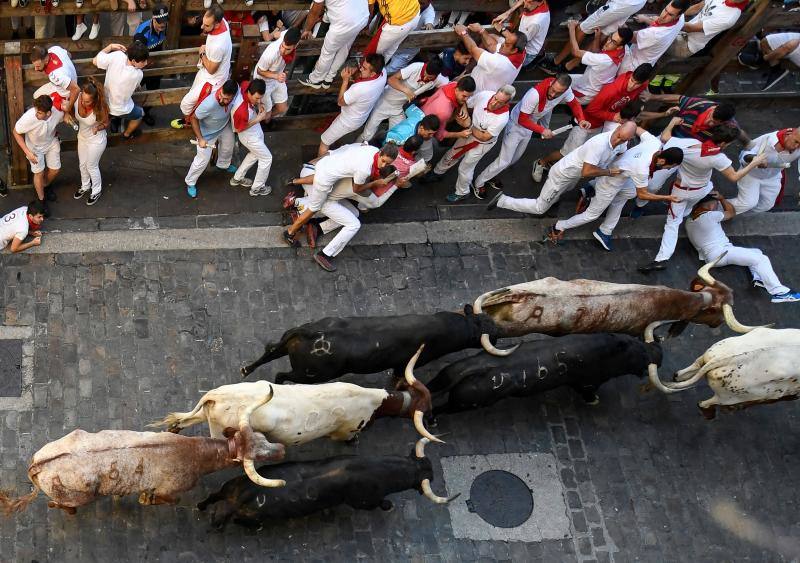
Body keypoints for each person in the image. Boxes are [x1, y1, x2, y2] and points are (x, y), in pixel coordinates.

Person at [638, 121, 767, 273]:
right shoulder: (719, 158)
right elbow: (734, 177)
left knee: (673, 223)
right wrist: (754, 163)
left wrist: (672, 123)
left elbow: (665, 137)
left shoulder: (687, 145)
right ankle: (690, 215)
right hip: (702, 190)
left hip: (681, 190)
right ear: (724, 143)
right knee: (689, 207)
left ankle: (662, 259)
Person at [546, 128, 684, 248]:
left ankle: (605, 230)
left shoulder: (655, 143)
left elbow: (636, 128)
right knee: (592, 215)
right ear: (662, 161)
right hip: (609, 183)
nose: (667, 169)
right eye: (668, 167)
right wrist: (668, 197)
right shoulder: (642, 169)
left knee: (627, 194)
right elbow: (642, 195)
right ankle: (559, 226)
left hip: (619, 175)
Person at [487, 122, 637, 216]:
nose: (618, 141)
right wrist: (609, 172)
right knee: (540, 208)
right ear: (618, 128)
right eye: (618, 136)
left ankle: (552, 200)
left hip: (572, 176)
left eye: (623, 139)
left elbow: (621, 150)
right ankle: (503, 201)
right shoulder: (599, 144)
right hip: (561, 176)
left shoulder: (622, 142)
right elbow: (587, 172)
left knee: (564, 191)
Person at [474, 74, 590, 194]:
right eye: (553, 90)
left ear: (565, 90)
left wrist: (581, 119)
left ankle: (491, 174)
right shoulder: (534, 94)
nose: (553, 95)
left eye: (558, 93)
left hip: (530, 125)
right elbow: (522, 120)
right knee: (505, 160)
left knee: (515, 158)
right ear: (552, 83)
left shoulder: (565, 91)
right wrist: (542, 130)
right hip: (516, 126)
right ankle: (479, 182)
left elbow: (574, 104)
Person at [535, 63, 653, 179]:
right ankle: (541, 162)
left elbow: (642, 87)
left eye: (637, 84)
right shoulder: (612, 90)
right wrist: (612, 117)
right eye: (632, 80)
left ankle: (555, 166)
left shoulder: (643, 84)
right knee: (567, 153)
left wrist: (648, 95)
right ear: (631, 75)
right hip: (585, 123)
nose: (632, 86)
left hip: (599, 125)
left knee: (582, 154)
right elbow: (591, 110)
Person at [282, 143, 399, 260]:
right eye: (383, 161)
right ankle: (291, 232)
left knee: (351, 212)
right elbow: (358, 190)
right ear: (380, 153)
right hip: (325, 182)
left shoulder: (371, 150)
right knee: (315, 209)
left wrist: (296, 181)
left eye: (387, 164)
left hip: (324, 166)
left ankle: (305, 213)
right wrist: (376, 184)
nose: (383, 165)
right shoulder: (364, 172)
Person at [686, 193, 800, 302]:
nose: (717, 207)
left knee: (756, 252)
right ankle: (779, 292)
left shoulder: (689, 220)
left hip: (710, 257)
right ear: (711, 205)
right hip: (722, 253)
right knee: (761, 259)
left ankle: (759, 279)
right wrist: (721, 199)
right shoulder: (711, 215)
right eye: (716, 205)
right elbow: (731, 212)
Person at [430, 85, 515, 202]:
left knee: (465, 168)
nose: (494, 103)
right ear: (495, 93)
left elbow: (485, 137)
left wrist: (468, 125)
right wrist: (464, 111)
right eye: (495, 98)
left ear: (506, 103)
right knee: (452, 153)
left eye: (500, 102)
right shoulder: (485, 95)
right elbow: (466, 102)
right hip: (468, 133)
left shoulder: (502, 118)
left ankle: (462, 192)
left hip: (481, 144)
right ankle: (437, 172)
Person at [359, 56, 446, 142]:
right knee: (368, 134)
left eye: (430, 78)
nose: (426, 78)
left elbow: (449, 86)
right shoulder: (415, 67)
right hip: (384, 102)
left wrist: (432, 98)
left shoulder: (439, 79)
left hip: (399, 108)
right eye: (425, 75)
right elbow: (391, 80)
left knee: (397, 137)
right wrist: (406, 90)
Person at [173, 6, 232, 129]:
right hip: (206, 73)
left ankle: (193, 123)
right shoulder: (222, 22)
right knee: (193, 98)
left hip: (213, 80)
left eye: (206, 26)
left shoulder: (219, 45)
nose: (201, 27)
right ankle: (190, 120)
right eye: (203, 23)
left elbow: (212, 69)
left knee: (185, 104)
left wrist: (202, 53)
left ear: (217, 24)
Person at [318, 54, 387, 156]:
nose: (360, 69)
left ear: (372, 73)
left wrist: (345, 80)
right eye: (362, 65)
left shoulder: (360, 89)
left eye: (364, 68)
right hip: (360, 117)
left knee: (324, 142)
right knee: (334, 135)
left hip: (347, 121)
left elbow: (340, 102)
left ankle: (319, 167)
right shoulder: (383, 73)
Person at [547, 0, 645, 72]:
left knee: (582, 28)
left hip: (623, 4)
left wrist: (571, 29)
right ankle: (570, 65)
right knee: (603, 32)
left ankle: (556, 63)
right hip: (636, 3)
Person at [297, 0, 370, 89]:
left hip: (345, 22)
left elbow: (315, 11)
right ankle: (328, 79)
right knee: (344, 48)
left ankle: (316, 79)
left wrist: (307, 29)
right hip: (362, 17)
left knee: (327, 52)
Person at [185, 79, 239, 198]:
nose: (221, 100)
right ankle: (190, 182)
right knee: (202, 161)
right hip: (207, 134)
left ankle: (223, 164)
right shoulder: (209, 104)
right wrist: (200, 138)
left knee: (228, 147)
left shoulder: (237, 90)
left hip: (224, 126)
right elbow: (193, 118)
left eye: (226, 99)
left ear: (233, 96)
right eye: (221, 96)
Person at [729, 127, 800, 215]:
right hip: (751, 175)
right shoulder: (768, 139)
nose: (796, 147)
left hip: (773, 177)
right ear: (789, 134)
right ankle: (717, 209)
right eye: (796, 142)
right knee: (748, 204)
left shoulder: (798, 147)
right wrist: (755, 159)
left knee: (767, 205)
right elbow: (744, 156)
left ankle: (741, 216)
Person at [12, 95, 64, 215]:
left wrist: (67, 116)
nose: (36, 114)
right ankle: (41, 199)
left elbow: (65, 115)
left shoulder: (56, 112)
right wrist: (27, 152)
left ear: (49, 113)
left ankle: (45, 185)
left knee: (55, 169)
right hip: (34, 148)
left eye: (40, 113)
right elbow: (16, 132)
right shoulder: (29, 117)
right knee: (38, 172)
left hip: (51, 142)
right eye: (36, 111)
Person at [93, 42, 149, 139]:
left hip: (105, 102)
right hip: (121, 108)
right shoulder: (138, 74)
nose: (146, 63)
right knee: (140, 114)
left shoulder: (117, 56)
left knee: (108, 115)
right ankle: (127, 134)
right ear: (134, 61)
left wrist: (110, 46)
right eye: (143, 61)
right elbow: (136, 87)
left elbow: (95, 61)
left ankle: (110, 121)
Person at [563, 23, 632, 101]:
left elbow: (575, 52)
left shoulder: (603, 60)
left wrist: (571, 29)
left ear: (620, 47)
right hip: (591, 83)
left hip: (584, 93)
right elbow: (596, 52)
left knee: (555, 93)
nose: (608, 42)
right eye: (610, 37)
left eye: (613, 42)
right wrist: (597, 37)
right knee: (560, 78)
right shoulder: (624, 49)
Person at [617, 0, 688, 74]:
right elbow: (661, 22)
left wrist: (620, 22)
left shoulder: (655, 34)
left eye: (670, 14)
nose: (663, 16)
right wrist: (645, 19)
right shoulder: (681, 19)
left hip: (631, 65)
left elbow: (628, 37)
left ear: (678, 16)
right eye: (665, 10)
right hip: (647, 59)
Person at [230, 79, 274, 196]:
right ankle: (257, 188)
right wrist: (258, 119)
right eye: (257, 98)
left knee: (255, 154)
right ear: (249, 93)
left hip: (253, 130)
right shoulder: (241, 111)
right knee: (266, 158)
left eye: (261, 98)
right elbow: (239, 129)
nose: (259, 100)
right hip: (248, 136)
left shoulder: (246, 86)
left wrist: (259, 104)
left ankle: (237, 178)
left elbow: (244, 82)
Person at [643, 93, 745, 143]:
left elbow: (738, 133)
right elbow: (678, 98)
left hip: (691, 150)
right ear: (714, 108)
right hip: (672, 137)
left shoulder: (730, 126)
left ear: (724, 122)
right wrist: (651, 97)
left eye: (714, 123)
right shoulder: (698, 104)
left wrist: (748, 144)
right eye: (710, 117)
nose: (709, 122)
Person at [417, 76, 476, 161]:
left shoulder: (454, 84)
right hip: (424, 130)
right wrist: (460, 134)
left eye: (469, 97)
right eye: (464, 96)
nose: (466, 100)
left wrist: (463, 107)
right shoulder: (445, 111)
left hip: (421, 111)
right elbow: (439, 134)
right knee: (431, 154)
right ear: (457, 90)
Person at [454, 23, 527, 92]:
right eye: (505, 41)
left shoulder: (499, 63)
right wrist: (481, 30)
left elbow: (473, 49)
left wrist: (463, 33)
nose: (502, 44)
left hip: (475, 93)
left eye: (507, 44)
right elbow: (491, 45)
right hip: (475, 78)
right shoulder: (522, 51)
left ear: (514, 50)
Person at [73, 78, 110, 206]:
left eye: (87, 101)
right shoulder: (78, 97)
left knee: (91, 166)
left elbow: (106, 123)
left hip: (96, 140)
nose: (83, 102)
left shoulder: (100, 107)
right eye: (83, 99)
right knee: (82, 164)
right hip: (82, 137)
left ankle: (96, 190)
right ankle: (85, 185)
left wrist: (97, 127)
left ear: (94, 100)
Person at [667, 0, 749, 58]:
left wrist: (668, 19)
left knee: (657, 39)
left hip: (686, 45)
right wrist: (674, 13)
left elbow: (690, 28)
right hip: (680, 32)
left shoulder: (729, 18)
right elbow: (697, 7)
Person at [252, 27, 301, 123]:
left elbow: (279, 34)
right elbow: (259, 71)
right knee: (267, 116)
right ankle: (262, 121)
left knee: (282, 108)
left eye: (287, 49)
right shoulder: (270, 54)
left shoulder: (287, 34)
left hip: (277, 77)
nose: (283, 51)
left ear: (296, 45)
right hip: (263, 81)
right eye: (282, 46)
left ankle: (264, 119)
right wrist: (277, 76)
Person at [134, 4, 170, 126]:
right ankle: (117, 118)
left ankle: (145, 113)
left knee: (153, 91)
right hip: (140, 66)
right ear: (153, 19)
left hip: (155, 65)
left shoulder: (166, 26)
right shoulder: (142, 34)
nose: (162, 27)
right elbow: (136, 56)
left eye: (164, 24)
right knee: (130, 91)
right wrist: (146, 63)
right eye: (160, 24)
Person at [491, 0, 551, 67]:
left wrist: (501, 29)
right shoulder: (540, 5)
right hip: (520, 42)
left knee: (490, 45)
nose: (524, 5)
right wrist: (507, 13)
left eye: (529, 2)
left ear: (540, 2)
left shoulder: (536, 22)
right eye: (525, 1)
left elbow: (519, 41)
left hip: (526, 53)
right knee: (491, 38)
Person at [385, 0, 436, 74]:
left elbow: (429, 24)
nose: (419, 5)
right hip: (394, 42)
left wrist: (428, 27)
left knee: (390, 70)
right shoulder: (411, 3)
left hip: (408, 50)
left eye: (422, 3)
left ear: (430, 2)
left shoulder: (430, 12)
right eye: (418, 2)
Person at [29, 46, 79, 118]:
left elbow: (76, 89)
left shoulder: (55, 75)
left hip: (66, 93)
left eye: (38, 66)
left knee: (53, 111)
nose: (36, 69)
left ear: (46, 60)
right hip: (63, 82)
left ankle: (61, 115)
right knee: (36, 95)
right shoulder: (54, 49)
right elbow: (69, 54)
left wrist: (69, 106)